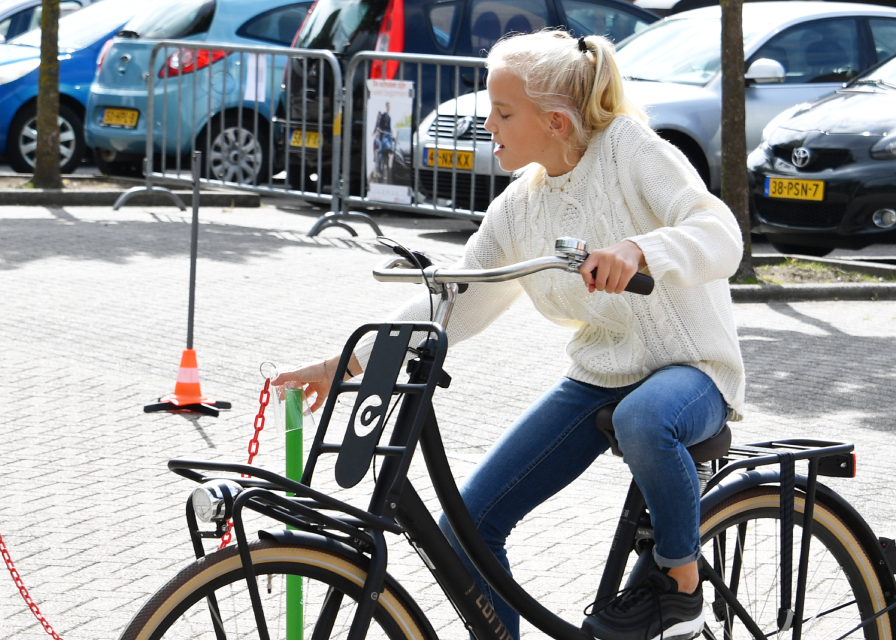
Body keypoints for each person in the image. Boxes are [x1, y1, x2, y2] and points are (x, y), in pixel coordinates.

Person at [273, 29, 745, 640]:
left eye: (502, 111)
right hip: (602, 374)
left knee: (644, 419)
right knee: (468, 526)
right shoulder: (520, 207)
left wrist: (639, 249)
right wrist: (346, 362)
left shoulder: (628, 148)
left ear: (554, 121)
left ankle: (679, 584)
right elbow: (457, 301)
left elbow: (720, 232)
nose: (487, 122)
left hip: (692, 368)